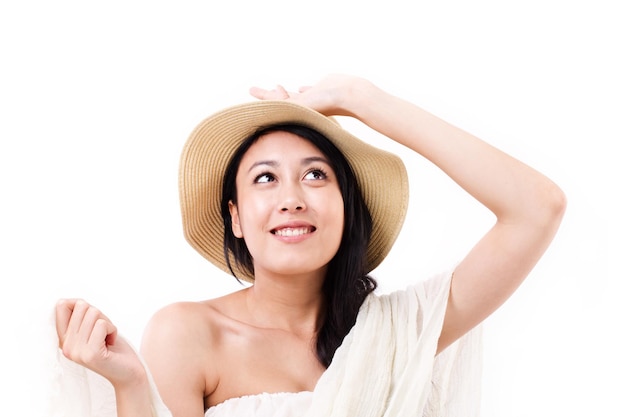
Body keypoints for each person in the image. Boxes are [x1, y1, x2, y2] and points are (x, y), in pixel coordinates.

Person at [54, 74, 566, 417]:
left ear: (347, 208)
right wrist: (130, 386)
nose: (291, 199)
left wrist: (362, 99)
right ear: (234, 217)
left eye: (316, 175)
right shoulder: (188, 333)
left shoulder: (400, 331)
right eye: (264, 179)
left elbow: (537, 207)